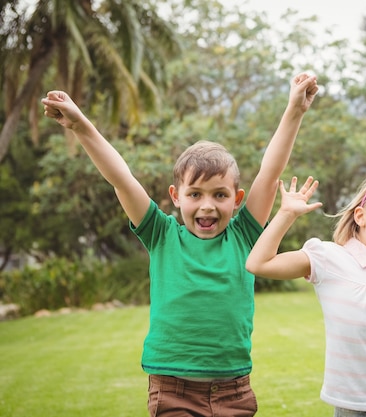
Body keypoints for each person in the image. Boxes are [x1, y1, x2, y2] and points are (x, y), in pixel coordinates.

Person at [41, 73, 319, 417]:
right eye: (195, 195)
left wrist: (294, 109)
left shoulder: (245, 235)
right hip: (173, 389)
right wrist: (81, 126)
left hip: (234, 389)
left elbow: (270, 172)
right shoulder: (161, 234)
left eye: (220, 195)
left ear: (237, 200)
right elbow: (121, 177)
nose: (207, 206)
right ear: (176, 197)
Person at [246, 175, 366, 417]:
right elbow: (258, 264)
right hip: (357, 406)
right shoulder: (328, 257)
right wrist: (287, 214)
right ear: (360, 216)